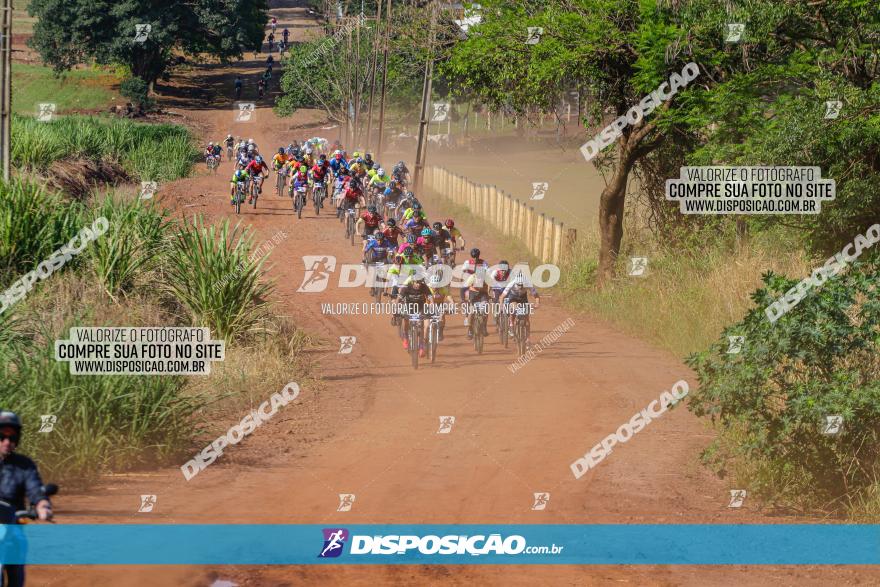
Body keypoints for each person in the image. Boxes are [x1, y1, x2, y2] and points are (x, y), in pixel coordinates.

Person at [0, 411, 53, 587]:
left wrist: (42, 505)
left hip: (13, 528)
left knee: (16, 575)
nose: (7, 442)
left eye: (12, 437)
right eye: (2, 436)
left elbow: (35, 489)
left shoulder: (24, 465)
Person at [397, 274, 433, 357]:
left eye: (420, 283)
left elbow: (430, 296)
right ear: (413, 282)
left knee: (422, 325)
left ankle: (421, 346)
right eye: (417, 283)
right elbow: (399, 298)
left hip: (421, 307)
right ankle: (405, 337)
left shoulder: (424, 287)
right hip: (409, 306)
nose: (418, 285)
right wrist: (396, 307)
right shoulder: (406, 287)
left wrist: (432, 303)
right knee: (405, 319)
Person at [500, 274, 540, 347]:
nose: (520, 287)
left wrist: (537, 303)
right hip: (513, 297)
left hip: (523, 298)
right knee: (513, 308)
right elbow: (502, 296)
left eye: (522, 285)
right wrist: (501, 306)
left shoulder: (528, 284)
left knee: (527, 320)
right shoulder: (511, 284)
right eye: (518, 285)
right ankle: (511, 325)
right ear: (515, 283)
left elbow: (536, 295)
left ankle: (528, 339)